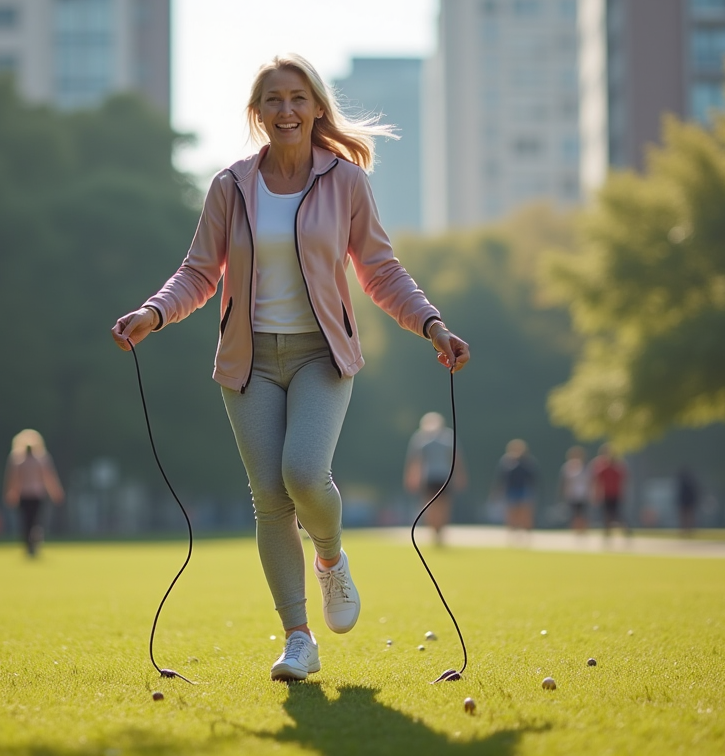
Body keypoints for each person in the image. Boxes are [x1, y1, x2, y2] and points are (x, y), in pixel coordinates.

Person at [110, 54, 470, 682]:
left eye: (298, 98)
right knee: (271, 501)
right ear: (258, 113)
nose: (286, 110)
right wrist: (154, 312)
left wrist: (431, 323)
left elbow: (380, 271)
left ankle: (329, 558)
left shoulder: (346, 182)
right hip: (248, 361)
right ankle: (298, 638)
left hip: (320, 354)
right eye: (273, 100)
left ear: (316, 108)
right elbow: (200, 272)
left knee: (304, 473)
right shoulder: (230, 186)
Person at [403, 412, 468, 546]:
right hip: (435, 477)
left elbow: (455, 458)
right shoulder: (444, 437)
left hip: (439, 477)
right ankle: (436, 531)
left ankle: (437, 531)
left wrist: (411, 477)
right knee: (437, 506)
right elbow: (415, 460)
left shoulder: (424, 437)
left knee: (437, 506)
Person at [3, 429, 65, 557]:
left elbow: (13, 479)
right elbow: (49, 478)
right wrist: (55, 492)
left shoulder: (18, 460)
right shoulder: (40, 459)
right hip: (35, 495)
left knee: (27, 521)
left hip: (26, 495)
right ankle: (34, 542)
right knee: (35, 521)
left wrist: (11, 493)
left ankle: (29, 544)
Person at [590, 444, 630, 539]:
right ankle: (607, 533)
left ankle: (625, 530)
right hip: (606, 494)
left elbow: (624, 481)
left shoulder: (618, 467)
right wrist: (595, 494)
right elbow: (597, 481)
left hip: (615, 494)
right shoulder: (602, 467)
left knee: (616, 514)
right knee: (606, 515)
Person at [497, 439, 537, 534]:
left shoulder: (527, 462)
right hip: (511, 490)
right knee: (511, 513)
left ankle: (526, 532)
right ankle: (512, 532)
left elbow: (533, 478)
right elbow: (501, 478)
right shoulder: (506, 462)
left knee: (524, 513)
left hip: (524, 490)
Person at [558, 446, 591, 533]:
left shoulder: (586, 467)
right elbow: (564, 481)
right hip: (572, 494)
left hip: (583, 494)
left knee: (583, 514)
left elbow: (589, 481)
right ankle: (575, 531)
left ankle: (583, 531)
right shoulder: (567, 467)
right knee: (574, 514)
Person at [676, 466, 699, 537]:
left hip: (686, 502)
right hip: (686, 502)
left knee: (686, 517)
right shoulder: (689, 483)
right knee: (686, 517)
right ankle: (687, 530)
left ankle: (687, 530)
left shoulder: (683, 483)